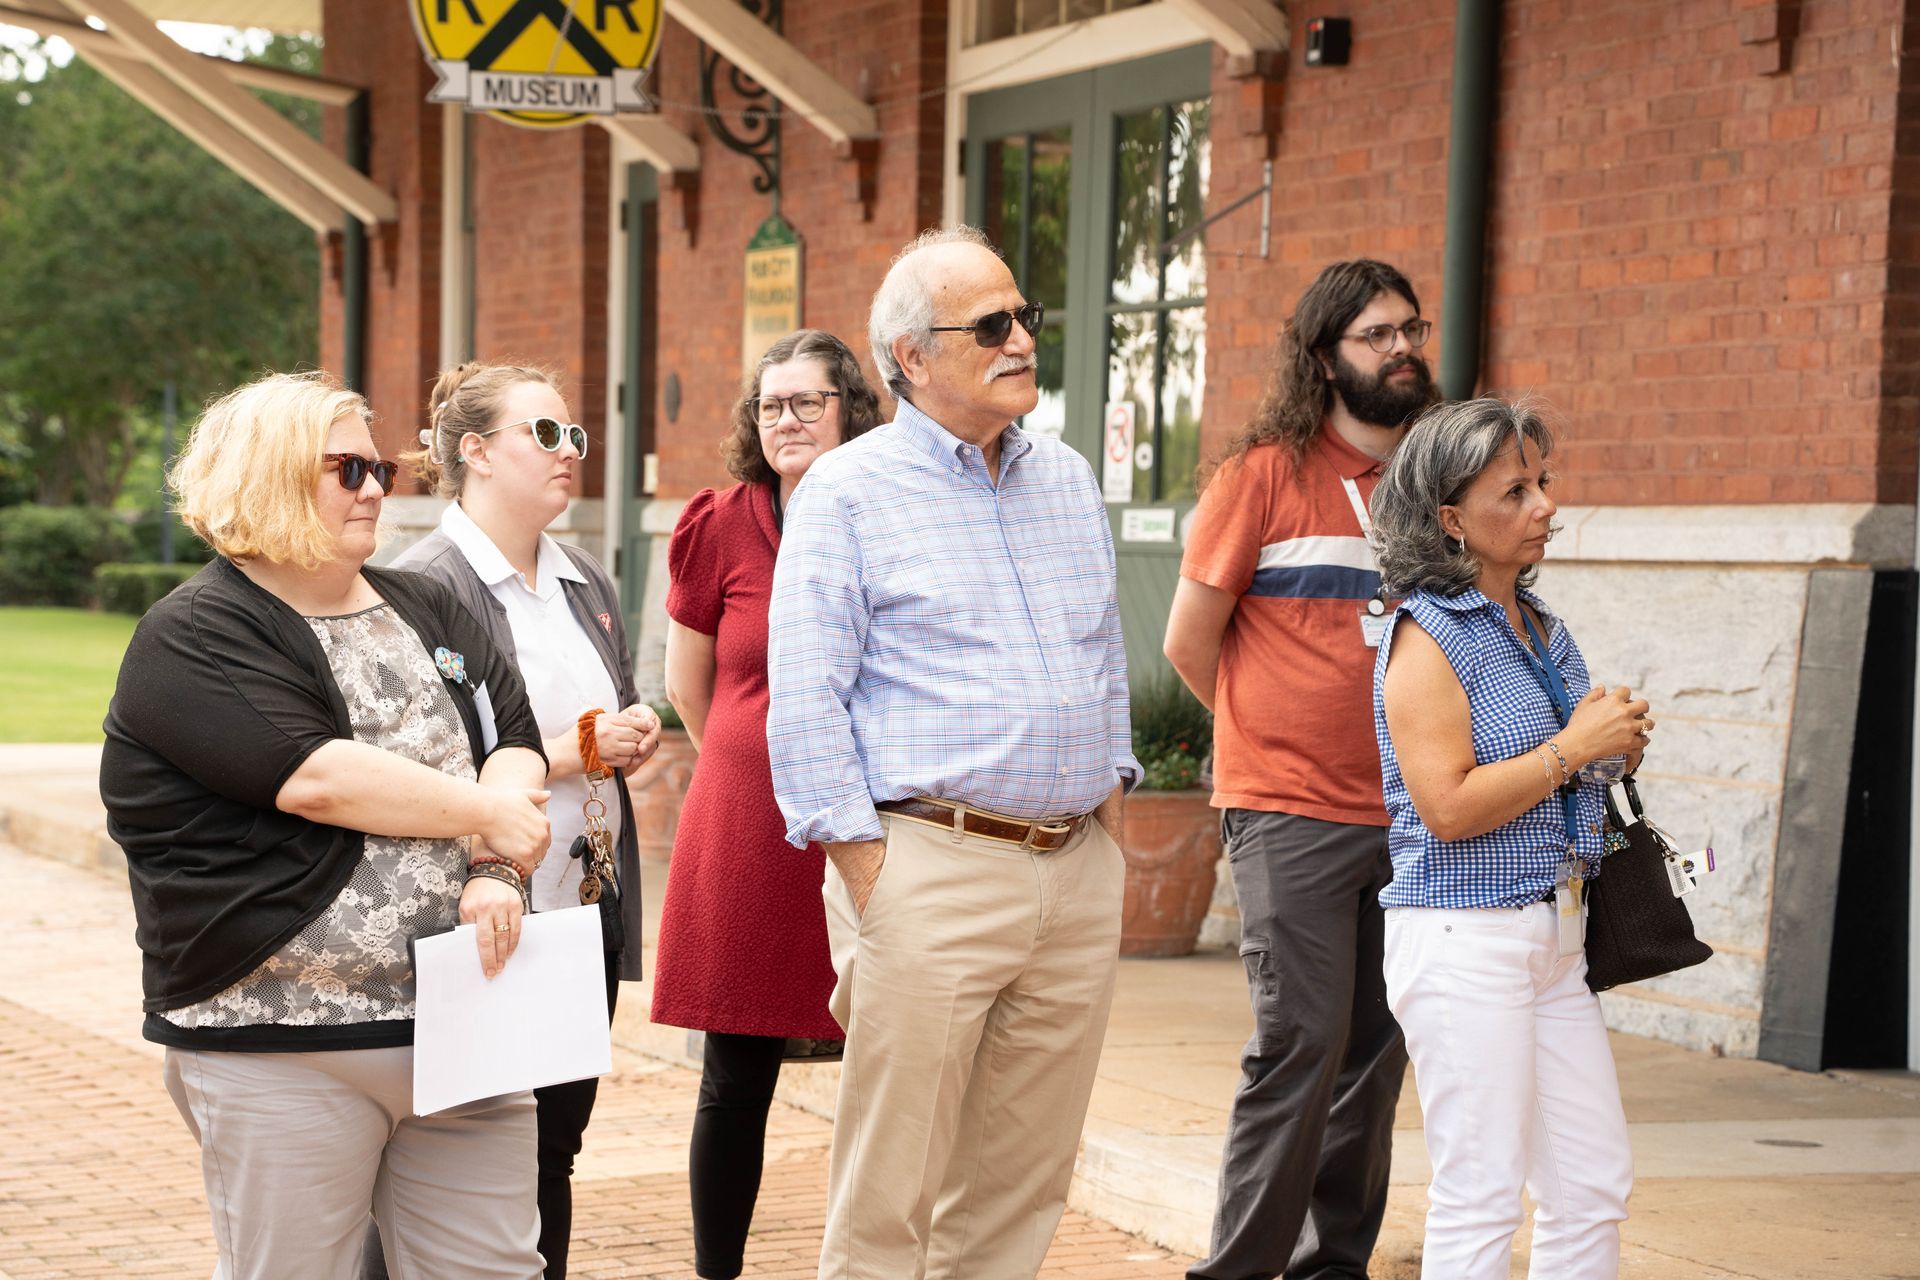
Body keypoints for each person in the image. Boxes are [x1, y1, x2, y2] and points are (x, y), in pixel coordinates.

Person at [100, 371, 553, 1280]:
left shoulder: (428, 605)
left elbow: (516, 740)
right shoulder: (195, 632)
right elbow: (316, 777)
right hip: (284, 1040)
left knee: (496, 1270)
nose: (378, 487)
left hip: (465, 1019)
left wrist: (494, 869)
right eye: (346, 468)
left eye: (379, 465)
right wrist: (487, 814)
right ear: (264, 475)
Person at [766, 227, 1140, 1280]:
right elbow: (803, 703)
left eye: (1025, 317)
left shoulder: (1065, 478)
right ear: (910, 357)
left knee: (1021, 1184)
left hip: (1073, 867)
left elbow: (1104, 656)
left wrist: (1107, 823)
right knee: (891, 1193)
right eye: (991, 324)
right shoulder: (845, 492)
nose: (1021, 337)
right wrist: (871, 873)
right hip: (927, 865)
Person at [1163, 259, 1432, 1279]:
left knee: (1375, 1056)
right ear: (1325, 357)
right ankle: (1237, 1271)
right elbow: (1193, 643)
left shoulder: (1435, 481)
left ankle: (1334, 1267)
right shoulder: (1262, 475)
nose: (1402, 347)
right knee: (1301, 1042)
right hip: (1290, 813)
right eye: (1376, 334)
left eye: (1410, 327)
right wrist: (1271, 741)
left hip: (1417, 816)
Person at [384, 360, 660, 1279]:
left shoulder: (583, 577)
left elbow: (610, 704)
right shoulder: (424, 587)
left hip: (582, 909)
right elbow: (426, 763)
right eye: (544, 434)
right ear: (474, 453)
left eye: (573, 434)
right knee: (463, 1160)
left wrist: (636, 724)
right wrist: (589, 741)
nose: (567, 452)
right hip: (485, 915)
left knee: (555, 1149)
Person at [1371, 397, 1650, 1278]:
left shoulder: (1539, 627)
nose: (1546, 507)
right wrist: (1574, 748)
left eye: (1544, 482)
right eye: (1515, 492)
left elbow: (1563, 781)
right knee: (1481, 1194)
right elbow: (1446, 810)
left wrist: (1611, 748)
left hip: (1557, 938)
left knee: (1592, 1183)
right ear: (1450, 518)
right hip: (1465, 939)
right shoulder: (1426, 638)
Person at [652, 328, 883, 1280]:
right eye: (770, 405)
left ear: (851, 411)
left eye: (807, 402)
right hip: (749, 827)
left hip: (871, 831)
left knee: (883, 1074)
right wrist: (768, 769)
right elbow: (691, 690)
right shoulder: (722, 522)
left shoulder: (891, 512)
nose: (785, 420)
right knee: (734, 1077)